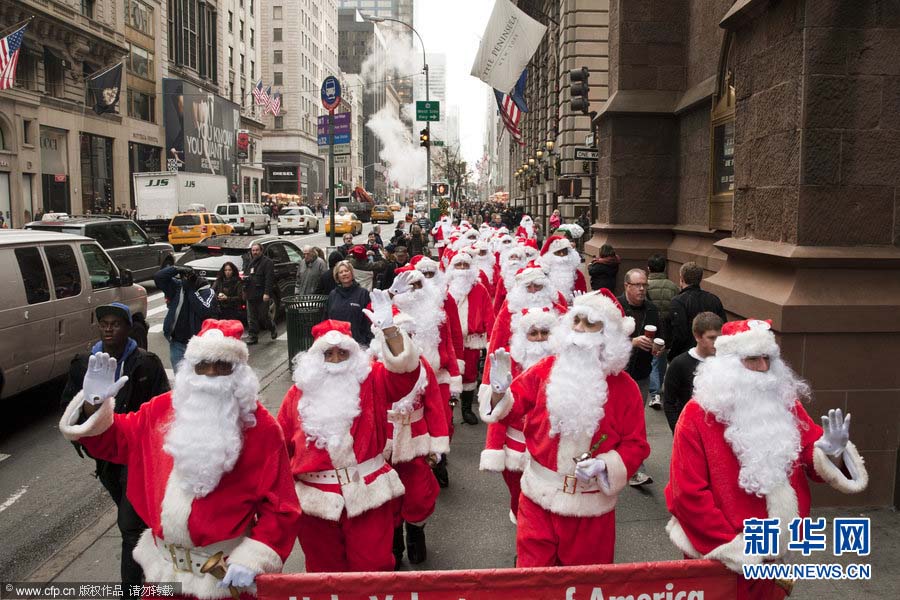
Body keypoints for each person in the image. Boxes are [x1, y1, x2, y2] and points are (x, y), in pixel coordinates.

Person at [59, 320, 301, 599]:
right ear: (190, 369)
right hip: (163, 574)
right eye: (203, 366)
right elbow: (112, 441)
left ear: (239, 373)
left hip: (224, 579)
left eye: (222, 366)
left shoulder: (262, 428)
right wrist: (94, 404)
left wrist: (254, 558)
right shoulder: (159, 411)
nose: (211, 376)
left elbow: (281, 508)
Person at [665, 318, 869, 600]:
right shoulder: (696, 415)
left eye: (768, 358)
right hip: (718, 555)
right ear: (728, 365)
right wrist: (736, 549)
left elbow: (812, 453)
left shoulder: (786, 404)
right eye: (752, 359)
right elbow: (686, 494)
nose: (762, 368)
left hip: (772, 551)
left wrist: (831, 452)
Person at [482, 290, 650, 567]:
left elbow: (636, 444)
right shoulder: (544, 369)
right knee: (533, 580)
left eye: (590, 323)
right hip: (539, 497)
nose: (580, 329)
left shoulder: (626, 389)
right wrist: (499, 392)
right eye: (577, 320)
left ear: (607, 336)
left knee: (585, 583)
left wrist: (606, 466)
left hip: (591, 506)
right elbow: (511, 409)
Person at [276, 299, 424, 572]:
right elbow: (280, 451)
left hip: (368, 492)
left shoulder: (372, 381)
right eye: (328, 354)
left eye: (342, 354)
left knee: (374, 568)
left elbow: (405, 375)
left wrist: (390, 331)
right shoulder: (296, 396)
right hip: (316, 503)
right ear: (315, 359)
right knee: (324, 574)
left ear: (353, 355)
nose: (335, 361)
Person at [60, 303, 169, 590]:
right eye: (104, 323)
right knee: (132, 517)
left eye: (115, 324)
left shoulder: (146, 363)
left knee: (130, 527)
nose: (108, 329)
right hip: (105, 457)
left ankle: (133, 590)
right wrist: (89, 404)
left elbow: (163, 408)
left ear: (127, 328)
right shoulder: (84, 364)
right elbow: (67, 410)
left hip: (137, 455)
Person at [480, 306, 560, 524]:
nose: (539, 338)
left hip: (552, 445)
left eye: (545, 332)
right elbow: (499, 414)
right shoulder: (510, 362)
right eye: (533, 333)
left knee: (551, 501)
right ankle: (526, 543)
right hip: (516, 445)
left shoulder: (564, 363)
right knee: (520, 499)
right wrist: (493, 447)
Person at [616, 268, 659, 487]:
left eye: (645, 285)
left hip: (641, 376)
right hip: (616, 375)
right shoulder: (615, 307)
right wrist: (631, 342)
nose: (642, 289)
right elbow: (604, 340)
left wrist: (658, 349)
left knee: (635, 424)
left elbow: (662, 336)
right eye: (637, 285)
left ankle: (635, 470)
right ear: (627, 286)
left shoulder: (652, 309)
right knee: (611, 422)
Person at [446, 250, 495, 425]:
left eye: (465, 265)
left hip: (472, 341)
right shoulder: (445, 288)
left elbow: (489, 315)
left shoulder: (479, 289)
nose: (461, 269)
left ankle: (466, 409)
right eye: (458, 265)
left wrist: (491, 341)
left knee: (469, 376)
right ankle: (448, 412)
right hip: (449, 341)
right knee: (449, 377)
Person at [663, 312, 722, 432]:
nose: (716, 343)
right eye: (711, 338)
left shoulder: (725, 362)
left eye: (719, 338)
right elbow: (669, 402)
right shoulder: (679, 364)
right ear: (697, 336)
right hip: (689, 429)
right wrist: (679, 431)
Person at [154, 265, 217, 370]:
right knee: (180, 378)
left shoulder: (207, 292)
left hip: (198, 345)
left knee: (198, 378)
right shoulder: (178, 288)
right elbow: (158, 277)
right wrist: (176, 269)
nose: (188, 278)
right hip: (178, 342)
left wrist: (191, 290)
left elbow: (204, 311)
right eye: (185, 275)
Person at [668, 262, 727, 361]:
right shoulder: (714, 299)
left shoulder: (678, 302)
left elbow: (679, 334)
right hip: (712, 356)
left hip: (687, 357)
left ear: (681, 279)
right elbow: (724, 328)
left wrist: (672, 355)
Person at [646, 254, 680, 409]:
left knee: (653, 360)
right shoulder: (672, 286)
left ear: (649, 268)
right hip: (668, 328)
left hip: (651, 328)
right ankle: (658, 387)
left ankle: (655, 393)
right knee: (661, 359)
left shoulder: (645, 286)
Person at [326, 260, 372, 346]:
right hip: (337, 343)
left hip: (358, 343)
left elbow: (368, 321)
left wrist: (367, 341)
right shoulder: (333, 294)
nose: (344, 274)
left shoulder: (363, 293)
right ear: (337, 276)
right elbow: (327, 318)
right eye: (341, 272)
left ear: (352, 273)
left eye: (346, 271)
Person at [537, 235, 588, 303]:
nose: (561, 254)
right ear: (550, 255)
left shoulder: (577, 275)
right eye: (558, 252)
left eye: (564, 252)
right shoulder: (543, 274)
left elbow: (583, 295)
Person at [243, 243, 276, 345]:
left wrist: (267, 293)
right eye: (253, 250)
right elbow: (247, 276)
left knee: (263, 317)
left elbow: (269, 279)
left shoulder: (268, 262)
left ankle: (272, 327)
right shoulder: (250, 263)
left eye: (257, 250)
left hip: (262, 295)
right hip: (251, 294)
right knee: (251, 317)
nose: (255, 252)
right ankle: (253, 336)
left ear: (261, 251)